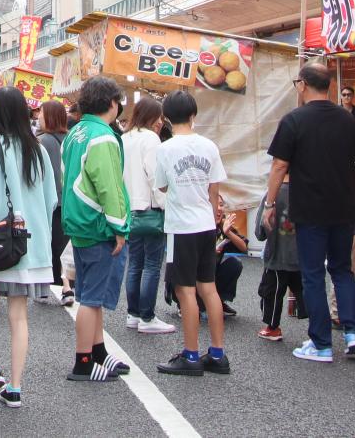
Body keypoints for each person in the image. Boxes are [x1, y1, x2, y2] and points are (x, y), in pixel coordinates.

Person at [263, 60, 355, 364]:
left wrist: (270, 204)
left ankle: (321, 343)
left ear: (302, 85)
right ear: (330, 86)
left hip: (310, 209)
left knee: (312, 274)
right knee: (342, 271)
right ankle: (352, 333)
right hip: (344, 207)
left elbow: (279, 165)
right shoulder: (347, 120)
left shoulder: (294, 120)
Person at [0, 86, 56, 409]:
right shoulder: (38, 149)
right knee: (19, 316)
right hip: (30, 246)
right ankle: (15, 387)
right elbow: (50, 201)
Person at [151, 90, 230, 376]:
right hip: (206, 225)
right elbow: (214, 189)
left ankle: (192, 354)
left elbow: (161, 186)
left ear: (166, 119)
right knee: (208, 288)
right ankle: (218, 354)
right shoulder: (209, 146)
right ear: (194, 115)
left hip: (181, 226)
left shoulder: (166, 148)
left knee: (185, 291)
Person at [61, 75, 131, 383]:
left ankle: (98, 351)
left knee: (92, 293)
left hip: (79, 222)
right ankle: (84, 361)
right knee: (91, 298)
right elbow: (110, 186)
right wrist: (120, 225)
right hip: (99, 223)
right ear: (112, 103)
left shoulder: (76, 132)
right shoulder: (102, 136)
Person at [121, 96, 172, 336]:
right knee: (152, 265)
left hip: (129, 209)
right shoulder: (150, 139)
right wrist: (165, 204)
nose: (161, 122)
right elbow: (155, 177)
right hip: (150, 209)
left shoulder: (124, 137)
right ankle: (147, 316)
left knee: (135, 264)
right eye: (159, 117)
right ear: (151, 116)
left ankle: (133, 314)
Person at [255, 174, 303, 343]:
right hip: (303, 255)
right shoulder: (308, 191)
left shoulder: (271, 195)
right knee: (307, 291)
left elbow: (259, 233)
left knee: (271, 293)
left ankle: (272, 328)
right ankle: (317, 328)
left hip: (277, 254)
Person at [35, 100, 71, 307]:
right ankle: (64, 286)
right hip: (68, 201)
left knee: (49, 244)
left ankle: (57, 286)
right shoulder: (70, 138)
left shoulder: (42, 141)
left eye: (41, 112)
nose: (38, 116)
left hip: (49, 201)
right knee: (60, 245)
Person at [214, 213, 247, 315]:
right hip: (192, 275)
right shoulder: (197, 226)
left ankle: (219, 301)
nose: (219, 209)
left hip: (211, 274)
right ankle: (184, 303)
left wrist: (228, 232)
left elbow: (243, 247)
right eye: (216, 204)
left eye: (221, 205)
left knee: (235, 263)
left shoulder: (222, 227)